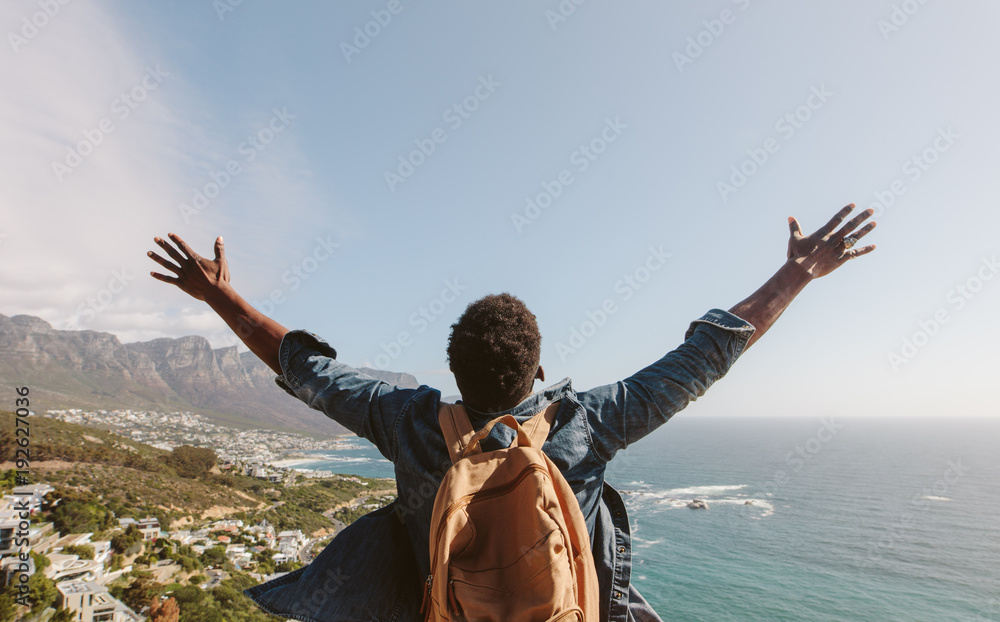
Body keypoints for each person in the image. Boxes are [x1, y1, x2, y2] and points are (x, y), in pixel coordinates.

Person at [147, 203, 876, 621]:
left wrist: (220, 297)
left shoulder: (406, 420)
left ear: (453, 372)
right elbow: (703, 356)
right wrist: (797, 271)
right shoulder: (589, 421)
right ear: (539, 369)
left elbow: (306, 370)